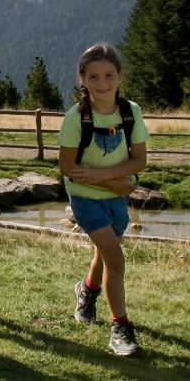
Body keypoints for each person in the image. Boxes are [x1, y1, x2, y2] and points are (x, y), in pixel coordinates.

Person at [57, 43, 150, 356]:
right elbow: (68, 168)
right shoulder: (76, 117)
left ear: (120, 76)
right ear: (82, 79)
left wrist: (103, 179)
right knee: (114, 256)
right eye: (94, 76)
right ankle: (120, 328)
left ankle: (87, 290)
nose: (102, 83)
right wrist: (107, 180)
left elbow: (139, 161)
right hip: (84, 197)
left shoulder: (130, 113)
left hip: (116, 198)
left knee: (105, 251)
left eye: (109, 75)